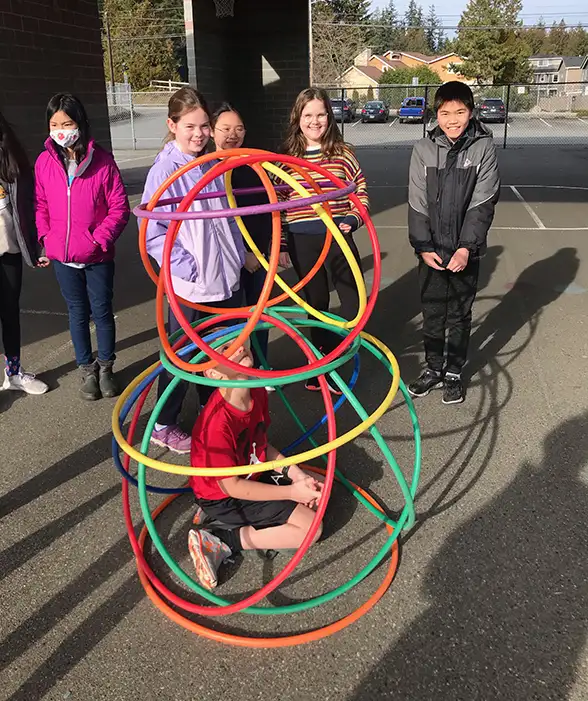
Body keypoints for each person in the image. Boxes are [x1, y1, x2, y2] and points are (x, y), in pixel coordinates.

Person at [142, 88, 245, 454]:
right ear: (172, 125)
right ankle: (164, 422)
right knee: (183, 354)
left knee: (219, 351)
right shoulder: (165, 170)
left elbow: (226, 216)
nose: (199, 133)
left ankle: (210, 409)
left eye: (204, 126)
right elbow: (155, 235)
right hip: (191, 284)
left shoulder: (208, 163)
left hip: (223, 278)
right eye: (190, 126)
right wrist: (191, 269)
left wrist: (238, 255)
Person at [188, 330, 323, 591]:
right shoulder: (217, 424)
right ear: (213, 373)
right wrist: (291, 492)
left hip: (251, 474)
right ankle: (222, 538)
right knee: (311, 530)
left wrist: (297, 476)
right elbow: (233, 486)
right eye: (227, 347)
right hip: (224, 495)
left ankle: (254, 522)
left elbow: (261, 445)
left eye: (239, 342)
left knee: (320, 491)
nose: (239, 348)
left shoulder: (256, 390)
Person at [407, 81, 500, 405]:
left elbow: (483, 201)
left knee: (460, 314)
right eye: (445, 113)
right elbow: (417, 201)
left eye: (460, 112)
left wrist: (466, 247)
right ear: (437, 114)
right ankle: (433, 368)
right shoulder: (423, 149)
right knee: (433, 312)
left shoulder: (483, 148)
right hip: (432, 251)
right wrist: (423, 246)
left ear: (471, 112)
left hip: (464, 251)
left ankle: (453, 373)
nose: (453, 119)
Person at [35, 93, 129, 401]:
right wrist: (46, 240)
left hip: (97, 256)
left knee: (102, 312)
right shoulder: (44, 162)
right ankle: (87, 370)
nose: (61, 130)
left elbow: (119, 208)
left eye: (67, 123)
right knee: (77, 313)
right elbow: (41, 205)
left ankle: (106, 368)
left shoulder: (102, 162)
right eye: (54, 124)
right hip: (62, 257)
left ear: (80, 123)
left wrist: (99, 239)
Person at [281, 87, 369, 395]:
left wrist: (352, 219)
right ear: (298, 118)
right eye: (308, 115)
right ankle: (320, 367)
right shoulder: (287, 160)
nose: (314, 121)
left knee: (355, 303)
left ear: (329, 117)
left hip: (338, 237)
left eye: (320, 114)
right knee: (316, 305)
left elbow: (360, 192)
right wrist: (280, 246)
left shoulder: (342, 154)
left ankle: (327, 358)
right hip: (302, 240)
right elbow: (277, 206)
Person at [212, 103, 272, 369]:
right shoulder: (206, 171)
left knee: (259, 314)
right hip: (226, 259)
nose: (232, 135)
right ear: (212, 132)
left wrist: (263, 250)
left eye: (238, 129)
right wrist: (241, 254)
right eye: (225, 129)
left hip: (257, 255)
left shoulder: (254, 167)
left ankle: (259, 366)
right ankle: (232, 372)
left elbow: (268, 211)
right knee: (231, 319)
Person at [0, 112, 48, 396]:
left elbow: (28, 212)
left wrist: (35, 247)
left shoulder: (11, 163)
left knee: (10, 314)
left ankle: (14, 373)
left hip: (8, 253)